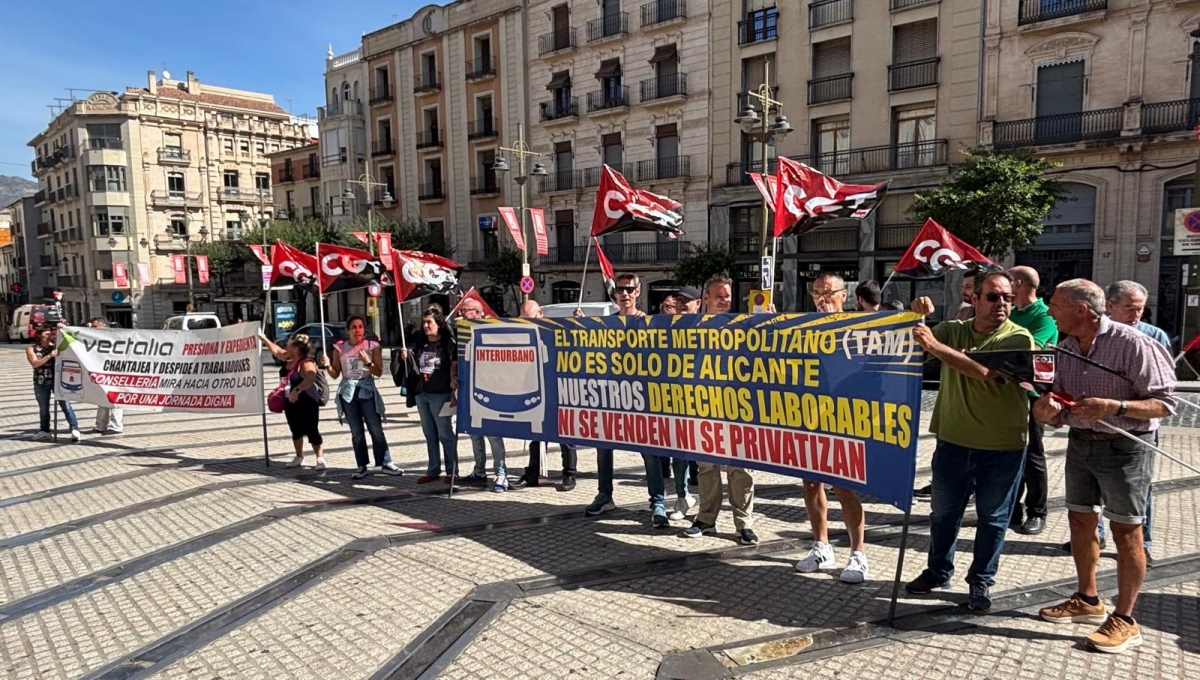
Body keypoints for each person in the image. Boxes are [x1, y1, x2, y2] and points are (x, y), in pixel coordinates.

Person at [1034, 279, 1176, 654]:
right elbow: (1058, 401)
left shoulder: (1133, 343)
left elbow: (1165, 403)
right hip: (1081, 442)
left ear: (1080, 310)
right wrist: (1048, 412)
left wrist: (1115, 407)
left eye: (1055, 305)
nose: (1049, 311)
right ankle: (1087, 599)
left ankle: (1125, 620)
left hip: (1125, 448)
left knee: (1126, 531)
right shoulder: (1064, 347)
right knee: (1080, 521)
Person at [904, 271, 1035, 613]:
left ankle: (981, 581)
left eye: (1007, 297)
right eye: (993, 297)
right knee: (943, 515)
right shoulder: (954, 330)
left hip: (1003, 448)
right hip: (953, 442)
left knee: (992, 518)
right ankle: (937, 571)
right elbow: (912, 345)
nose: (1002, 303)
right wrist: (916, 316)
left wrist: (935, 346)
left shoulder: (1018, 336)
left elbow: (984, 373)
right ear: (974, 299)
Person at [1073, 280, 1172, 565]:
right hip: (1090, 436)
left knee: (1138, 491)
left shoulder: (1152, 336)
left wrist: (1121, 407)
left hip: (1134, 434)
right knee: (1089, 500)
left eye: (1140, 309)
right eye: (1129, 307)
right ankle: (1099, 535)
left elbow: (1163, 389)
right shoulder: (1082, 338)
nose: (1136, 314)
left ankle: (1144, 541)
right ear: (1110, 306)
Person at [586, 273, 683, 530]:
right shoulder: (607, 323)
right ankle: (605, 495)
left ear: (638, 292)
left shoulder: (649, 323)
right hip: (611, 396)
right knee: (603, 448)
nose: (625, 294)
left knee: (650, 452)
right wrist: (578, 326)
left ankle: (657, 502)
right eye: (620, 290)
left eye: (629, 289)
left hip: (641, 398)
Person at [794, 273, 870, 581]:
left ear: (844, 295)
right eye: (816, 293)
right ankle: (821, 545)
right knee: (811, 482)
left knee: (843, 485)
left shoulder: (857, 327)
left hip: (843, 415)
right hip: (811, 413)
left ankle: (858, 553)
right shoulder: (804, 327)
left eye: (827, 292)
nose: (821, 299)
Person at [680, 275, 759, 545]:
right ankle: (706, 519)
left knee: (741, 467)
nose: (724, 300)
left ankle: (744, 524)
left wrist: (770, 321)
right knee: (706, 466)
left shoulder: (743, 325)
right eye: (718, 296)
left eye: (727, 296)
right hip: (703, 405)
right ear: (706, 299)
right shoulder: (692, 328)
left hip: (738, 406)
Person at [1006, 266, 1059, 536]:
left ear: (1017, 283)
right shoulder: (1011, 313)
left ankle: (1037, 511)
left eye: (1007, 282)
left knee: (1033, 456)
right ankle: (1011, 508)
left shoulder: (1044, 316)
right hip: (1007, 395)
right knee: (1009, 454)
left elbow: (1028, 351)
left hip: (1032, 396)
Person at [510, 299, 580, 492]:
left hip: (557, 390)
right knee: (535, 433)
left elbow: (574, 345)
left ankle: (569, 474)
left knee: (566, 434)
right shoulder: (521, 334)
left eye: (531, 318)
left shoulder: (553, 330)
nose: (527, 322)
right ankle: (532, 473)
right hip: (533, 389)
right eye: (523, 318)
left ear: (540, 313)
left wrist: (577, 324)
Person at [330, 315, 402, 479]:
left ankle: (385, 462)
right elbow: (335, 374)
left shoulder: (372, 346)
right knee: (356, 431)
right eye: (354, 327)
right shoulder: (340, 348)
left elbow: (379, 372)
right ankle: (361, 465)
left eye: (360, 327)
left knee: (375, 428)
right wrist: (327, 365)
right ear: (347, 330)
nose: (358, 330)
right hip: (348, 392)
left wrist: (368, 362)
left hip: (366, 390)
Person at [456, 296, 509, 490]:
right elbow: (456, 360)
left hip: (490, 390)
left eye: (465, 310)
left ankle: (501, 474)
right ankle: (479, 471)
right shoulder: (462, 333)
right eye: (462, 311)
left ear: (478, 313)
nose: (461, 314)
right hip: (468, 391)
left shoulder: (491, 331)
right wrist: (454, 376)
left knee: (493, 434)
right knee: (474, 433)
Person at [403, 309, 460, 484]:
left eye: (429, 322)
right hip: (422, 394)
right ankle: (433, 469)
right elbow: (414, 367)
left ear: (439, 324)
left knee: (445, 434)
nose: (426, 325)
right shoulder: (421, 343)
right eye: (424, 322)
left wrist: (453, 392)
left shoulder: (448, 344)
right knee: (429, 433)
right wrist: (406, 357)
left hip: (441, 394)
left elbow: (454, 366)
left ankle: (452, 471)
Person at [261, 332, 327, 470]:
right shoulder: (288, 358)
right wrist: (264, 338)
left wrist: (297, 390)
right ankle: (299, 456)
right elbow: (276, 350)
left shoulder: (306, 363)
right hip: (290, 401)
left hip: (307, 401)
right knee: (295, 429)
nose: (286, 347)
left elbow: (310, 378)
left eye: (289, 345)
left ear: (296, 349)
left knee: (311, 429)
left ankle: (320, 458)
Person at [27, 324, 80, 442]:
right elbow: (35, 363)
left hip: (58, 381)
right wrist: (50, 355)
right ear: (39, 335)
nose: (49, 336)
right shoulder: (32, 348)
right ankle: (45, 431)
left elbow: (71, 340)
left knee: (66, 405)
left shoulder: (56, 346)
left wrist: (64, 327)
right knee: (44, 408)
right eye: (46, 334)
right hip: (41, 382)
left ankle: (74, 428)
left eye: (51, 334)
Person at [87, 317, 124, 435]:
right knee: (102, 399)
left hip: (114, 372)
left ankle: (116, 426)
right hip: (101, 372)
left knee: (115, 400)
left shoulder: (114, 337)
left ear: (103, 326)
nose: (91, 329)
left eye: (94, 326)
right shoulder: (94, 338)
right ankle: (101, 426)